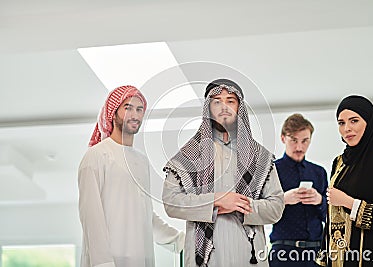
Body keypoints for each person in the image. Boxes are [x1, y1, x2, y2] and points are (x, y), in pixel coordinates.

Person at [162, 78, 285, 267]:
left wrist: (240, 205)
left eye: (230, 101)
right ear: (208, 109)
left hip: (248, 254)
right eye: (217, 101)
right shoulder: (189, 155)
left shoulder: (260, 156)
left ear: (239, 108)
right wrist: (216, 201)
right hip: (206, 259)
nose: (224, 107)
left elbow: (276, 206)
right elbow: (171, 202)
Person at [78, 85, 184, 267]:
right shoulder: (96, 156)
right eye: (128, 108)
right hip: (109, 262)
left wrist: (180, 240)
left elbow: (143, 214)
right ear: (113, 112)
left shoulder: (141, 161)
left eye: (139, 109)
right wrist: (103, 263)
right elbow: (91, 217)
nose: (135, 115)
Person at [315, 95, 373, 267]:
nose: (347, 128)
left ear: (369, 123)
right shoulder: (339, 162)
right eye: (341, 123)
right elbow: (331, 215)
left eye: (354, 121)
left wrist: (349, 202)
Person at [269, 114, 328, 266]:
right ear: (283, 138)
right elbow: (259, 209)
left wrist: (320, 200)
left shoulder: (319, 172)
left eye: (305, 141)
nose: (299, 147)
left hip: (317, 254)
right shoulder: (271, 171)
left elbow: (330, 215)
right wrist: (282, 200)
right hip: (283, 253)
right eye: (294, 140)